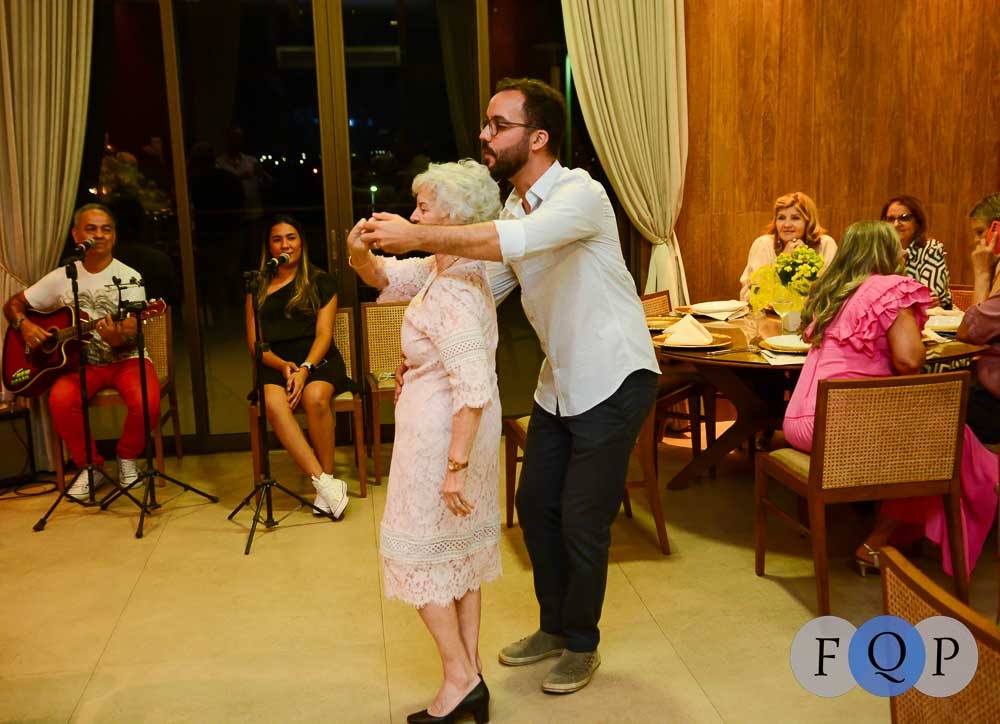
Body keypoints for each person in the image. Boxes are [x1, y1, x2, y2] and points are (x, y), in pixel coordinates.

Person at [361, 78, 660, 695]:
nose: (485, 135)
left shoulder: (580, 195)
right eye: (486, 124)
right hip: (559, 382)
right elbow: (481, 281)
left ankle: (582, 643)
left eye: (498, 125)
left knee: (581, 520)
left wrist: (418, 234)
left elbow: (510, 245)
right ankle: (553, 626)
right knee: (535, 507)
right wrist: (421, 341)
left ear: (538, 137)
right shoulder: (512, 211)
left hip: (614, 376)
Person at [348, 159, 500, 723]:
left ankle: (459, 678)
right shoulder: (447, 267)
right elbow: (386, 276)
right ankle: (472, 675)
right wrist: (359, 252)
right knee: (457, 554)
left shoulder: (453, 290)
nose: (414, 217)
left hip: (443, 436)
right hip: (455, 429)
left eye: (423, 208)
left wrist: (454, 467)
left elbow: (473, 385)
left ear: (453, 219)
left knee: (414, 552)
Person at [783, 220, 998, 577]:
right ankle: (879, 542)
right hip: (838, 424)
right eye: (896, 244)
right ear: (882, 251)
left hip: (799, 421)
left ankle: (898, 532)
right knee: (945, 440)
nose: (903, 251)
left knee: (931, 435)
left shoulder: (833, 290)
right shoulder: (889, 288)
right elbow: (909, 360)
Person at [2, 204, 160, 499]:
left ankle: (127, 458)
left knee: (147, 401)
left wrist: (116, 338)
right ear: (76, 235)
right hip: (77, 365)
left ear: (114, 236)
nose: (99, 235)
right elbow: (12, 305)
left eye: (106, 229)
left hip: (126, 360)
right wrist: (25, 326)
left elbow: (130, 334)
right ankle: (90, 467)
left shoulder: (130, 278)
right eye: (91, 229)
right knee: (61, 400)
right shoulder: (63, 276)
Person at [246, 216, 354, 519]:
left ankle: (326, 482)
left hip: (317, 359)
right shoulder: (257, 286)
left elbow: (324, 334)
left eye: (291, 237)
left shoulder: (321, 281)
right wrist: (283, 366)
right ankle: (325, 484)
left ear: (301, 242)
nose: (285, 245)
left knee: (315, 397)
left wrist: (305, 368)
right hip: (276, 363)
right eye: (277, 239)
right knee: (273, 404)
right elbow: (255, 344)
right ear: (269, 247)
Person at [957, 192, 1000, 443]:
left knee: (932, 407)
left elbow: (969, 332)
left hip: (993, 401)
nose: (976, 241)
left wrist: (982, 274)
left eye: (980, 232)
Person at [739, 191, 837, 300]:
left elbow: (833, 290)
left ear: (809, 221)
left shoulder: (825, 244)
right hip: (770, 311)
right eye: (781, 218)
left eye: (795, 218)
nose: (787, 225)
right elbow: (749, 295)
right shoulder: (764, 244)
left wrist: (806, 261)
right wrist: (784, 260)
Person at [881, 194, 952, 309]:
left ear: (918, 223)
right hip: (891, 316)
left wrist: (889, 301)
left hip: (934, 318)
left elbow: (928, 299)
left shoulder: (931, 249)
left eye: (904, 218)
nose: (896, 224)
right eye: (890, 219)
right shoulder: (879, 252)